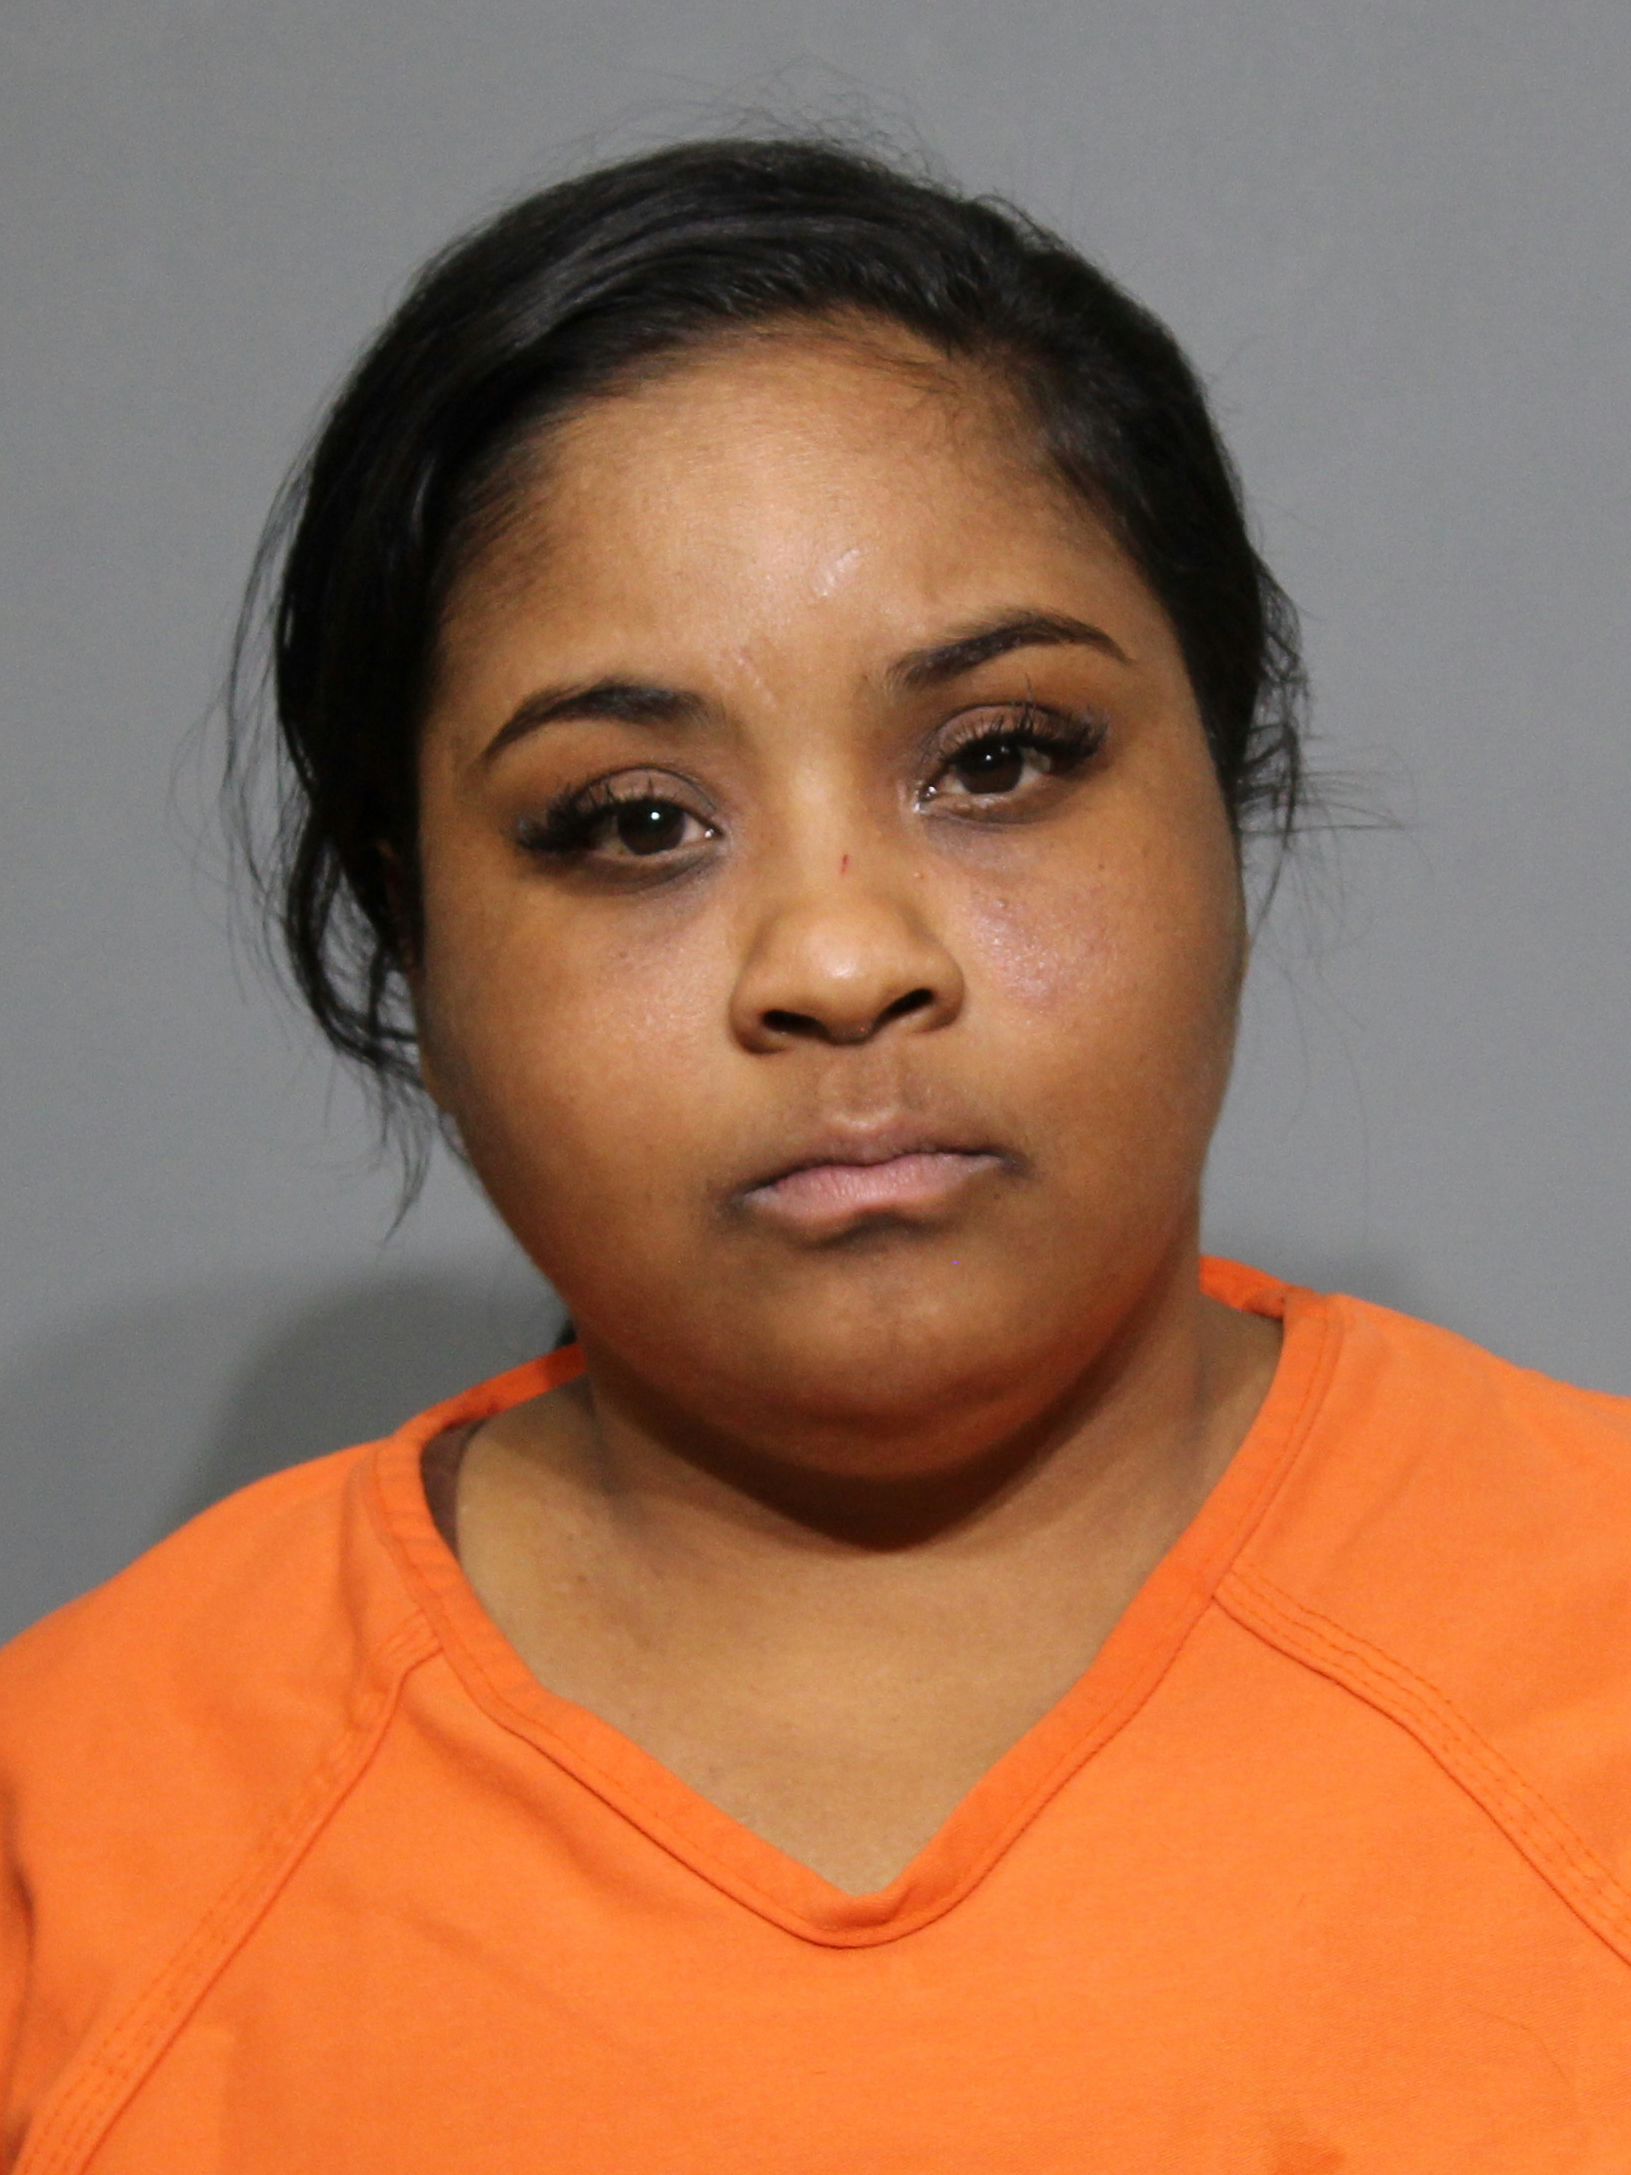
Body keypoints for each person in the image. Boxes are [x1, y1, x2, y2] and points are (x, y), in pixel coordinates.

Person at [3, 134, 1628, 2172]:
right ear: (413, 936)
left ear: (1229, 800)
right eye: (633, 822)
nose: (842, 959)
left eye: (999, 760)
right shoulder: (77, 1843)